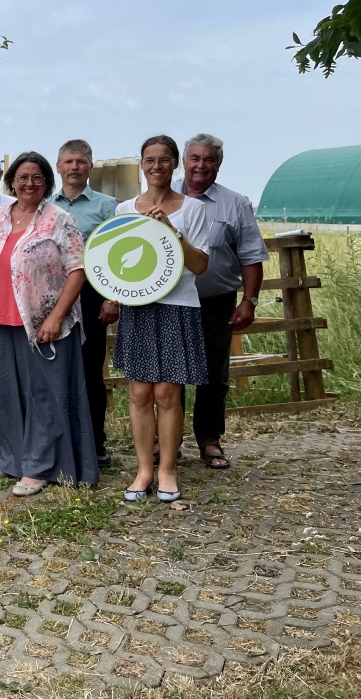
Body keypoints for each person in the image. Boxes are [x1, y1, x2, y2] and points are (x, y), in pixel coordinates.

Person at [0, 151, 98, 496]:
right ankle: (6, 457)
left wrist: (56, 316)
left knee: (43, 395)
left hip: (42, 322)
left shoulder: (59, 219)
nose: (29, 183)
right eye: (22, 177)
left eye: (37, 178)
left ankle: (40, 466)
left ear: (47, 183)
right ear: (11, 181)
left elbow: (77, 269)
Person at [109, 135, 210, 504]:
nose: (156, 166)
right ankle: (143, 470)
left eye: (164, 160)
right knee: (138, 393)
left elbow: (200, 265)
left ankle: (167, 469)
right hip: (138, 308)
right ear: (141, 164)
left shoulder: (193, 210)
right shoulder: (124, 210)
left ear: (175, 164)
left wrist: (172, 230)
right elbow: (115, 262)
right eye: (149, 160)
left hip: (178, 305)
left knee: (167, 393)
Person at [180, 133, 267, 470]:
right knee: (169, 374)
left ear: (219, 164)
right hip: (171, 301)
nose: (202, 166)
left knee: (213, 374)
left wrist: (250, 301)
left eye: (210, 160)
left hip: (216, 302)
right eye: (196, 159)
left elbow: (250, 257)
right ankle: (165, 441)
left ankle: (209, 439)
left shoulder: (235, 204)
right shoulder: (166, 198)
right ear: (184, 161)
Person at [49, 139, 119, 466]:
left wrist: (111, 297)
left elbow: (117, 255)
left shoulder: (108, 207)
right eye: (69, 161)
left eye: (81, 161)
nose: (75, 167)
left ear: (90, 166)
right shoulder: (46, 206)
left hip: (92, 297)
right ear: (59, 166)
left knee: (91, 372)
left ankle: (95, 443)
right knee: (56, 371)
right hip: (52, 299)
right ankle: (61, 442)